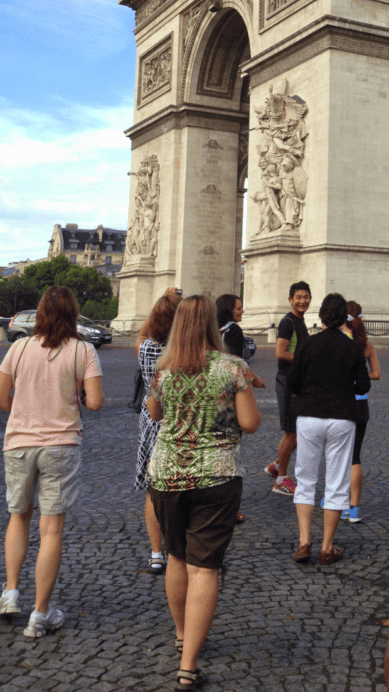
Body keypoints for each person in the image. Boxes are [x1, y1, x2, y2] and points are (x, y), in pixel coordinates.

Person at [147, 294, 259, 691]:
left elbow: (155, 414)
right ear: (214, 323)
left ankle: (181, 635)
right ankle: (188, 664)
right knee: (205, 568)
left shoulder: (164, 370)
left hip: (166, 476)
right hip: (216, 476)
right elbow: (250, 423)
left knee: (176, 558)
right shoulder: (232, 367)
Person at [0, 286, 104, 637]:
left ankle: (11, 592)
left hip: (18, 443)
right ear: (74, 314)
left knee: (18, 517)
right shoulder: (83, 350)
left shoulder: (18, 347)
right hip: (61, 443)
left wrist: (26, 411)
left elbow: (3, 398)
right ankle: (39, 614)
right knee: (51, 530)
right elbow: (95, 403)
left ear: (41, 313)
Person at [286, 293, 370, 565]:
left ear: (322, 316)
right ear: (344, 317)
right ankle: (327, 546)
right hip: (341, 418)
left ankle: (303, 542)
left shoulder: (308, 344)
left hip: (309, 416)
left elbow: (293, 382)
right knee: (336, 483)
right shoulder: (353, 347)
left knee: (305, 479)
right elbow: (364, 386)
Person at [135, 293, 179, 574]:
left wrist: (158, 305)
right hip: (176, 421)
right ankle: (178, 549)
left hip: (151, 420)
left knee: (153, 492)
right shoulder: (183, 351)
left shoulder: (147, 349)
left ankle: (155, 554)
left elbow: (141, 335)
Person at [216, 293, 266, 525]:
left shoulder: (215, 328)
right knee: (230, 449)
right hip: (231, 390)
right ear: (229, 310)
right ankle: (229, 508)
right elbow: (235, 359)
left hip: (213, 390)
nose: (242, 311)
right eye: (238, 308)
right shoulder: (233, 330)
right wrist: (253, 378)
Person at [264, 281, 311, 496]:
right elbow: (280, 353)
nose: (303, 301)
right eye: (298, 297)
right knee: (291, 433)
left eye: (306, 297)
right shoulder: (288, 323)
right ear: (290, 299)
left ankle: (276, 465)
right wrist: (306, 361)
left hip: (294, 382)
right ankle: (280, 480)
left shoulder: (299, 321)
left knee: (296, 433)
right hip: (287, 382)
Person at [341, 301, 381, 523]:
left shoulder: (338, 342)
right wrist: (360, 376)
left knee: (337, 456)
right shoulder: (366, 345)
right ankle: (354, 511)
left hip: (340, 404)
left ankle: (335, 506)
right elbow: (376, 374)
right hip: (360, 403)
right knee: (354, 456)